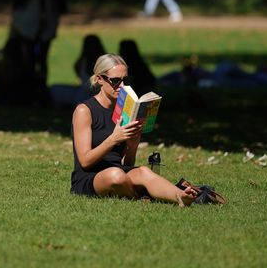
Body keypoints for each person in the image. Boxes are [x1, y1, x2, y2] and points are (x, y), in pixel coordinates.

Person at [71, 53, 198, 205]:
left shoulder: (126, 109)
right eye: (116, 81)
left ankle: (181, 196)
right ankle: (140, 197)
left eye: (126, 80)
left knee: (143, 171)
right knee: (116, 176)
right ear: (100, 79)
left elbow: (126, 164)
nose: (122, 86)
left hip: (119, 172)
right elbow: (85, 161)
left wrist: (133, 144)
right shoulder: (84, 110)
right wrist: (113, 139)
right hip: (90, 178)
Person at [9, 0, 67, 104]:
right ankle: (27, 92)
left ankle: (40, 92)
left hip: (45, 30)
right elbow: (18, 10)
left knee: (41, 60)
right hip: (27, 29)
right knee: (27, 61)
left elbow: (55, 9)